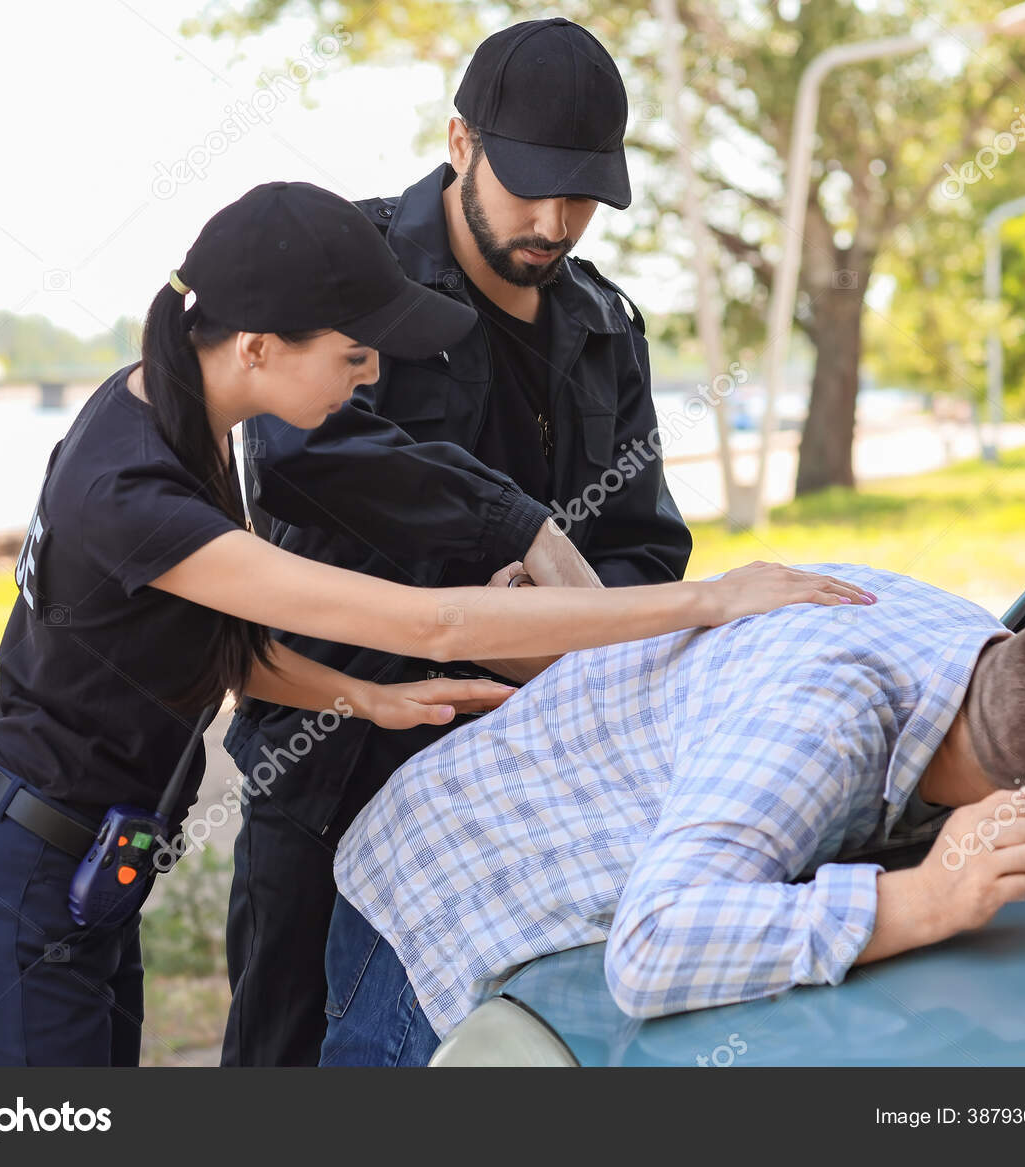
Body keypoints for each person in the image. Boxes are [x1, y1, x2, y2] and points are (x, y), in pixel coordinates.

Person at [0, 180, 871, 1067]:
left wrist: (367, 695)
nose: (367, 381)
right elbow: (436, 618)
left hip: (86, 871)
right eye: (352, 356)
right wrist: (707, 600)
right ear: (258, 346)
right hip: (18, 882)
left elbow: (223, 648)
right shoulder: (134, 489)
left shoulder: (166, 405)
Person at [220, 18, 693, 1065]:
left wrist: (561, 618)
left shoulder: (608, 325)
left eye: (582, 196)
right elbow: (296, 446)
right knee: (285, 1054)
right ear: (460, 142)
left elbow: (647, 546)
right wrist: (511, 526)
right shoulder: (345, 265)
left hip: (522, 779)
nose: (553, 219)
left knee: (474, 1053)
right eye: (528, 184)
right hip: (333, 759)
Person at [320, 564, 1025, 1066]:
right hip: (442, 903)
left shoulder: (982, 653)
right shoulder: (818, 726)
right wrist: (920, 903)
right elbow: (652, 948)